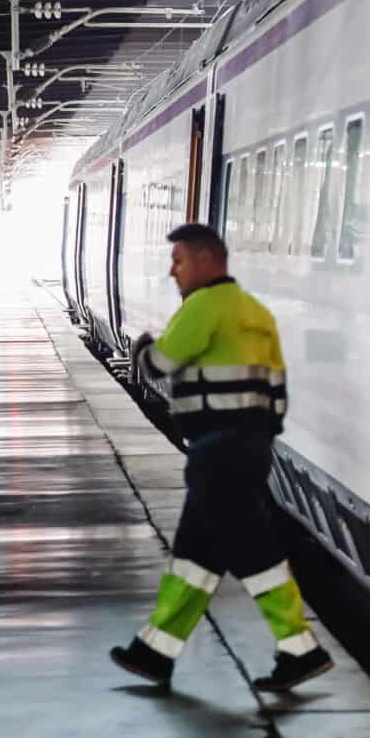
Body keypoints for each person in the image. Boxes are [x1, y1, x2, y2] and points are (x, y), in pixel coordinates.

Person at [109, 222, 333, 692]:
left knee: (253, 551)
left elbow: (159, 367)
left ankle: (300, 647)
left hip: (217, 452)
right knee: (196, 555)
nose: (173, 272)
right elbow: (277, 392)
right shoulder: (256, 312)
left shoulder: (204, 308)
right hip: (252, 448)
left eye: (179, 260)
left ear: (207, 259)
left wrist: (143, 347)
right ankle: (156, 650)